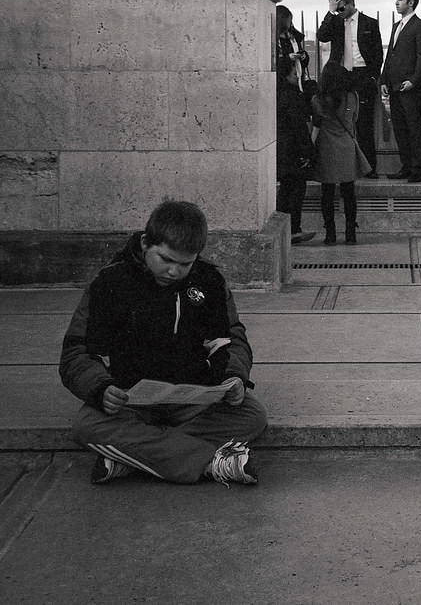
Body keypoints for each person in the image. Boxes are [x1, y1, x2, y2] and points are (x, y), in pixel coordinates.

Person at [59, 201, 267, 486]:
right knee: (87, 426)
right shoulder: (112, 281)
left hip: (195, 396)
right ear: (146, 243)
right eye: (165, 259)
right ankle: (211, 462)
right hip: (130, 399)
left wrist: (234, 377)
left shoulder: (209, 281)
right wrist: (100, 388)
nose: (173, 272)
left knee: (252, 415)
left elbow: (231, 338)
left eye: (185, 264)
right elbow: (77, 351)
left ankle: (133, 456)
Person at [316, 0, 384, 179]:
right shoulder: (336, 21)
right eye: (336, 9)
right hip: (339, 74)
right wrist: (331, 12)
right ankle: (342, 166)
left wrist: (372, 78)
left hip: (362, 75)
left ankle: (369, 167)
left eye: (341, 8)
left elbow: (378, 54)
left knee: (364, 122)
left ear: (351, 4)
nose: (340, 12)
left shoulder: (370, 23)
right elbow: (322, 36)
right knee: (337, 119)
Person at [312, 66, 371, 245]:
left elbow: (316, 125)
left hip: (326, 148)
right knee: (349, 193)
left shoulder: (317, 100)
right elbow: (354, 120)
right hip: (346, 147)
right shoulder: (352, 98)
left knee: (327, 193)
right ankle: (350, 233)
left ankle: (330, 234)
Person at [380, 0, 421, 183]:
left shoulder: (420, 26)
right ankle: (406, 166)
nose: (396, 2)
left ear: (410, 3)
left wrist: (414, 79)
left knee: (413, 127)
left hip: (410, 86)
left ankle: (417, 169)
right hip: (394, 85)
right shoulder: (396, 25)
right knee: (400, 128)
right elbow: (390, 55)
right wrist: (383, 79)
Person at [276, 5, 317, 244]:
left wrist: (300, 57)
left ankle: (290, 229)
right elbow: (299, 128)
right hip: (292, 150)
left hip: (286, 148)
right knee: (293, 186)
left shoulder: (294, 38)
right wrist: (308, 151)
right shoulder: (290, 96)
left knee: (289, 187)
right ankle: (292, 229)